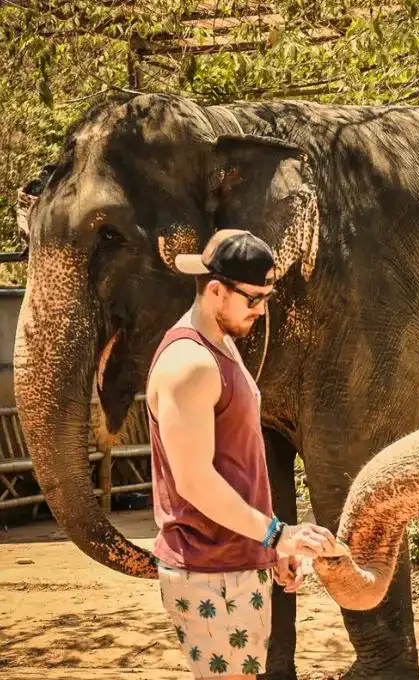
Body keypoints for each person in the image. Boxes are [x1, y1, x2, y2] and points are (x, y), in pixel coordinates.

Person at [146, 229, 343, 679]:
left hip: (235, 564)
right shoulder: (189, 365)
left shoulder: (220, 343)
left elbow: (239, 463)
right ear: (215, 289)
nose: (261, 309)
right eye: (253, 298)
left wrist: (267, 546)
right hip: (208, 571)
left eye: (267, 297)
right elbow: (194, 481)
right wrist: (276, 534)